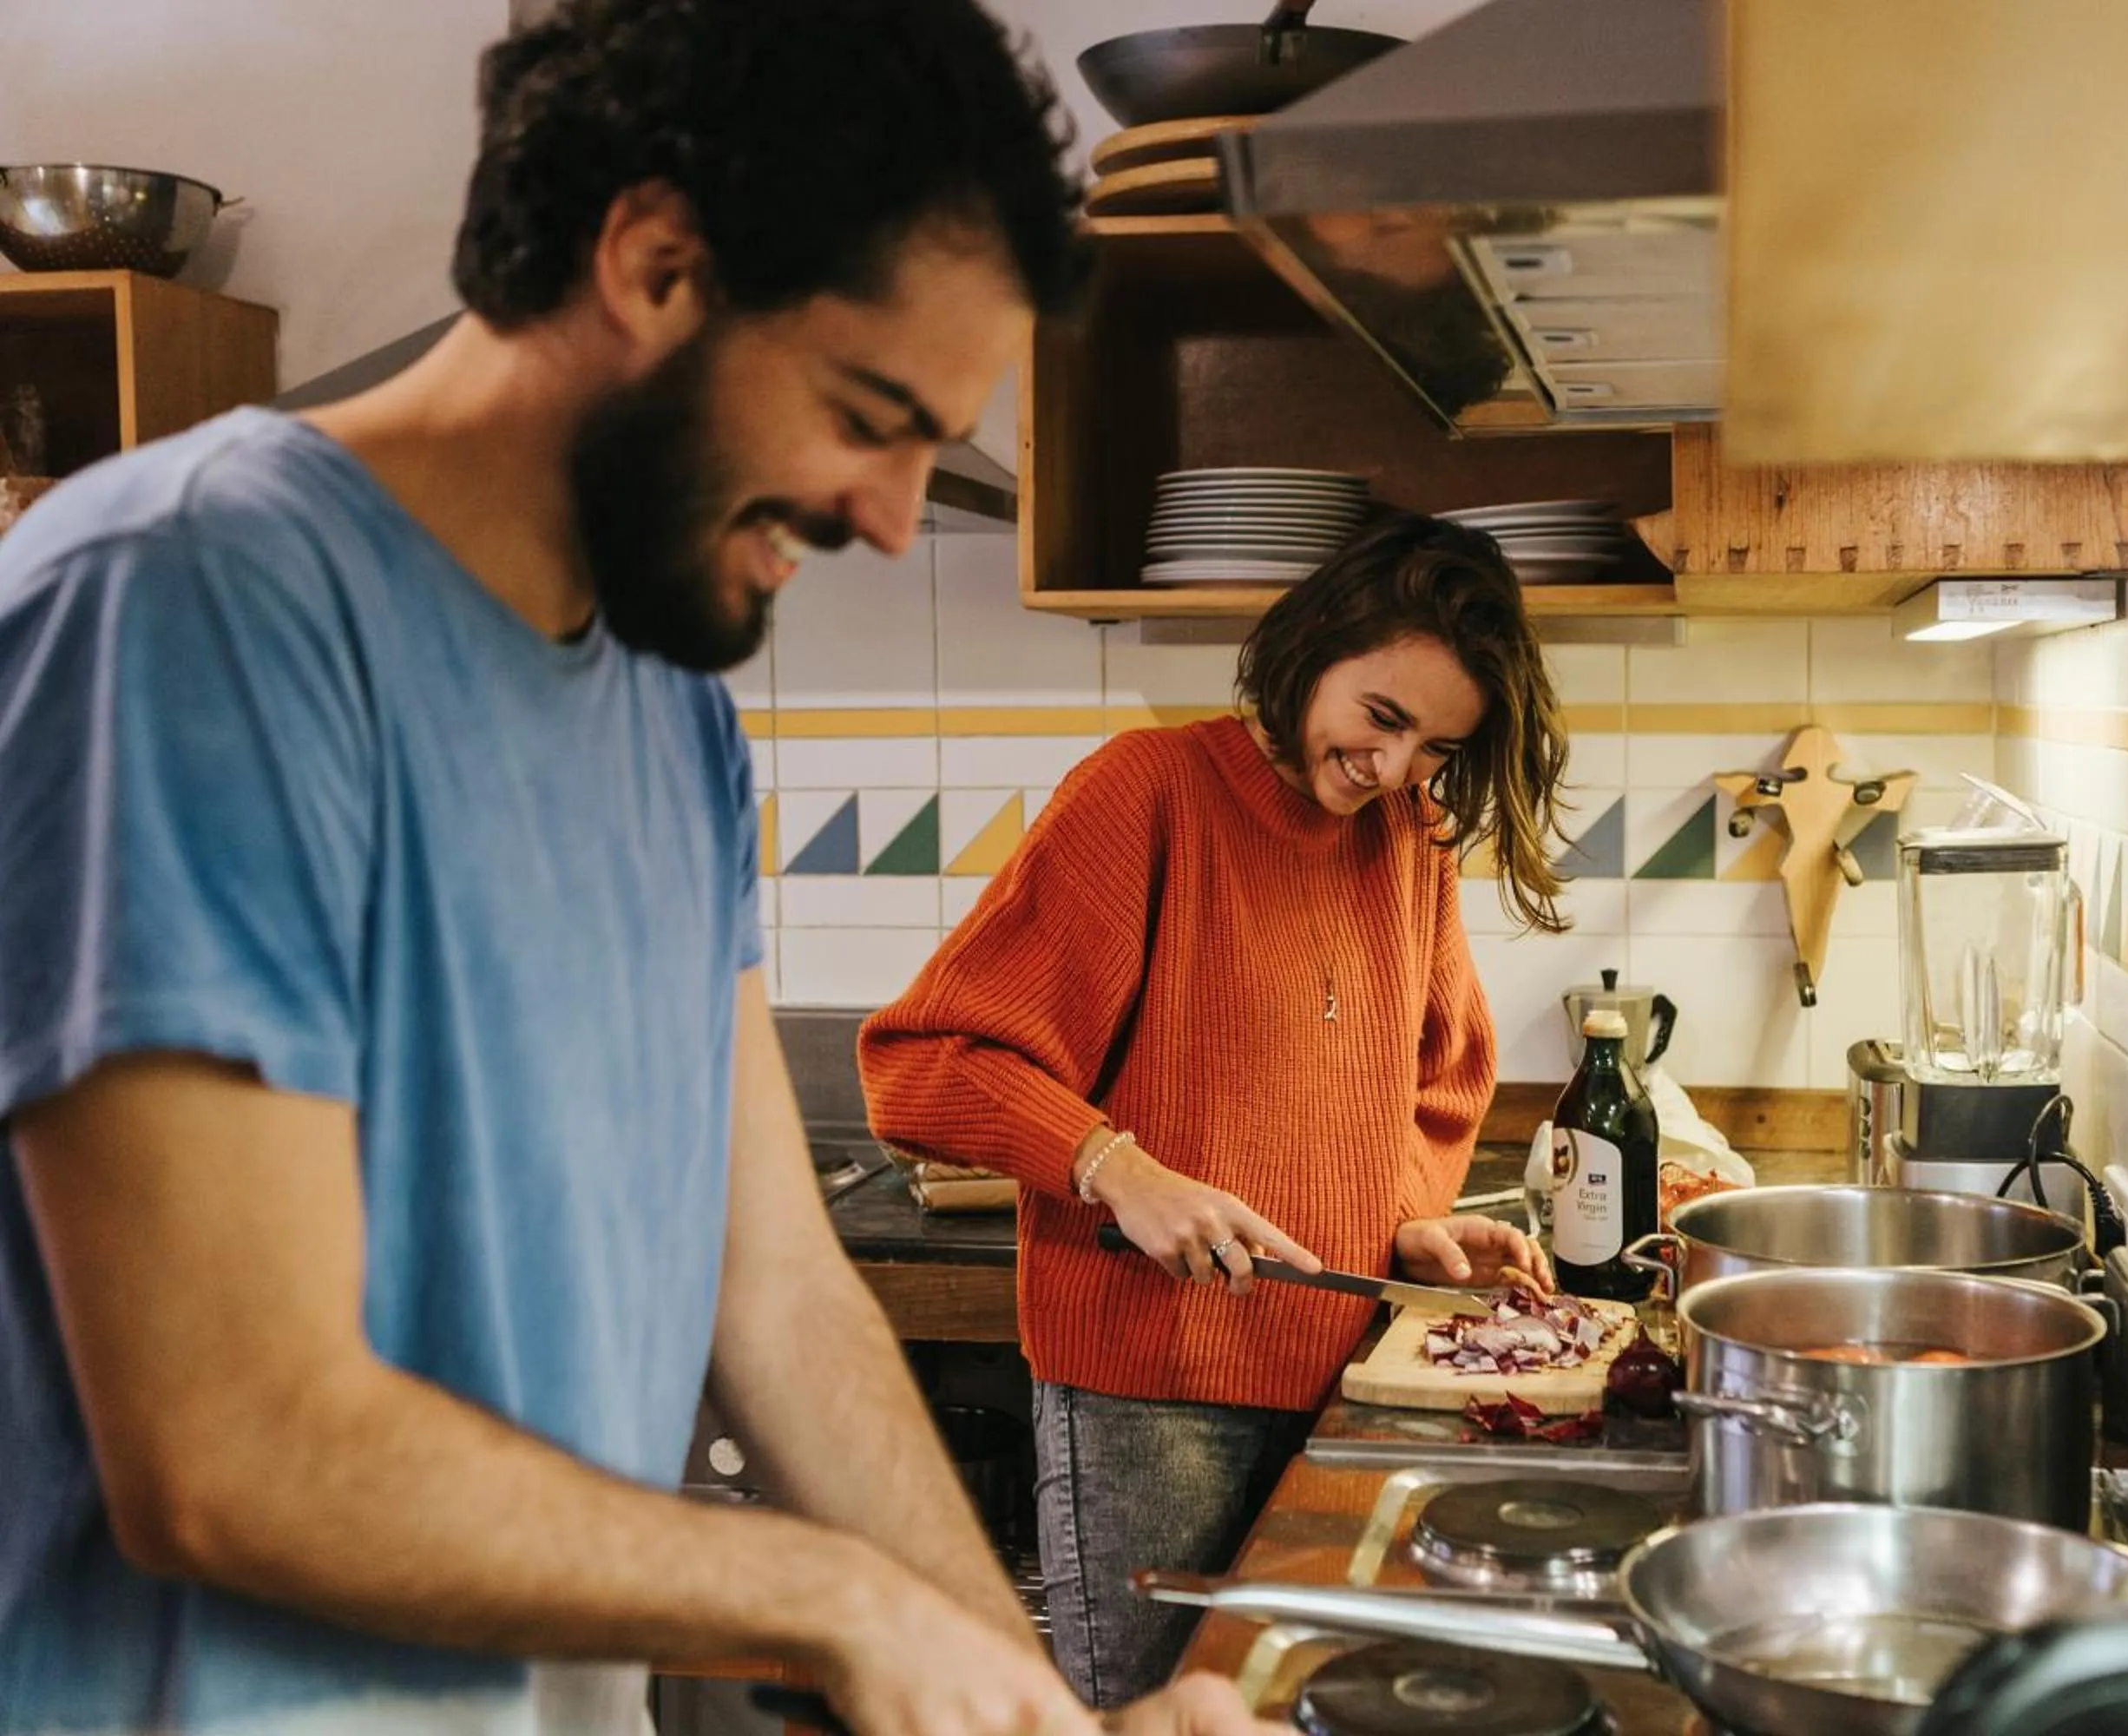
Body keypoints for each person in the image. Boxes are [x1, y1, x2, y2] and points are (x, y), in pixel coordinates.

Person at [0, 2, 1270, 1732]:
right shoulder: (189, 605)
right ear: (657, 261)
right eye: (869, 411)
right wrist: (826, 1600)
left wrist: (1022, 1696)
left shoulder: (668, 719)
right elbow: (236, 1448)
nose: (900, 516)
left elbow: (781, 1289)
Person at [859, 514, 1573, 1706]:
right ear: (1312, 648)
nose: (1393, 770)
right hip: (1152, 1398)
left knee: (1296, 1713)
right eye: (1383, 718)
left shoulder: (1410, 840)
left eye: (1436, 747)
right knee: (1151, 1719)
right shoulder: (1147, 795)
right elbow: (919, 1062)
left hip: (1347, 1377)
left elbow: (1434, 1079)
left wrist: (1406, 1220)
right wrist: (1116, 1169)